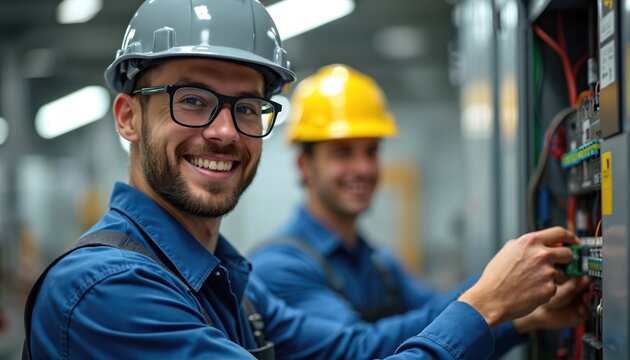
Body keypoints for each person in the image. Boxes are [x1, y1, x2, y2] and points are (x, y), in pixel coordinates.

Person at [24, 1, 589, 359]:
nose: (224, 132)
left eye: (247, 106)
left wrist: (516, 313)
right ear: (127, 116)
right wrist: (484, 309)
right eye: (191, 100)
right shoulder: (108, 291)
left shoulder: (225, 275)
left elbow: (355, 348)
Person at [250, 64, 593, 357]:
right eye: (342, 153)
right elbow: (360, 350)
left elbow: (440, 325)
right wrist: (494, 291)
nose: (364, 168)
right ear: (304, 165)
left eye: (371, 151)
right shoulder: (281, 267)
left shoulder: (377, 262)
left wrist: (522, 315)